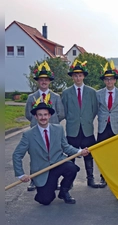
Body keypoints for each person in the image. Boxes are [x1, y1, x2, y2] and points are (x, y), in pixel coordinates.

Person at [13, 98, 90, 205]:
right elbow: (17, 154)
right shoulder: (28, 135)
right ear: (36, 117)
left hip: (58, 163)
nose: (43, 117)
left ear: (49, 116)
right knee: (45, 200)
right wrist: (20, 174)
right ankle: (48, 188)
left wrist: (79, 151)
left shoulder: (58, 129)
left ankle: (64, 191)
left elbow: (66, 147)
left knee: (72, 168)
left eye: (45, 114)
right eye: (40, 115)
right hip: (42, 169)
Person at [24, 61, 65, 192]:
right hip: (37, 131)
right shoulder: (32, 97)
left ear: (49, 81)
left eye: (46, 80)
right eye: (41, 80)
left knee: (54, 156)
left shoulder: (56, 97)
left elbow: (61, 113)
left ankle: (55, 180)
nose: (44, 82)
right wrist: (39, 123)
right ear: (38, 81)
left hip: (51, 132)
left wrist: (51, 123)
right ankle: (33, 181)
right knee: (35, 156)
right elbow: (28, 114)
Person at [61, 59, 101, 188]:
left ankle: (90, 179)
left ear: (83, 76)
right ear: (72, 77)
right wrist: (74, 119)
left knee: (88, 154)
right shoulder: (66, 93)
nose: (78, 78)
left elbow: (94, 109)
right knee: (71, 155)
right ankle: (69, 181)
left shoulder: (91, 92)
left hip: (87, 129)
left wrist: (87, 119)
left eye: (80, 75)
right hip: (73, 129)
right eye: (75, 75)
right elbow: (64, 110)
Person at [96, 60, 118, 188]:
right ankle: (103, 176)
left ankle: (116, 176)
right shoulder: (98, 94)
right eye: (106, 79)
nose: (109, 81)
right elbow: (96, 109)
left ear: (115, 80)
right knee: (103, 154)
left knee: (116, 153)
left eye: (111, 79)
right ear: (104, 81)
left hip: (116, 127)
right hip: (103, 127)